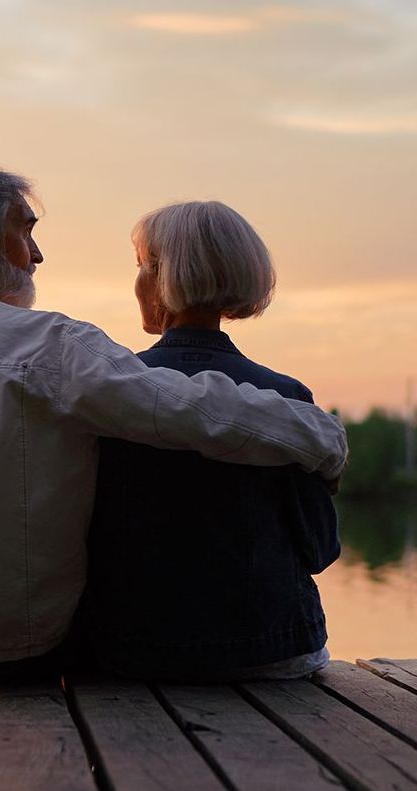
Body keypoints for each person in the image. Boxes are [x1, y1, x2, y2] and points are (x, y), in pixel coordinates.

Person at [0, 168, 347, 684]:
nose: (37, 255)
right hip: (19, 650)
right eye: (26, 230)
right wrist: (318, 437)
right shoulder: (48, 344)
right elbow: (188, 408)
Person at [83, 201, 338, 680]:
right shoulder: (285, 397)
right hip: (271, 652)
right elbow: (320, 549)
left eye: (141, 266)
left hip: (130, 653)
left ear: (161, 278)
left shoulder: (108, 391)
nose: (137, 280)